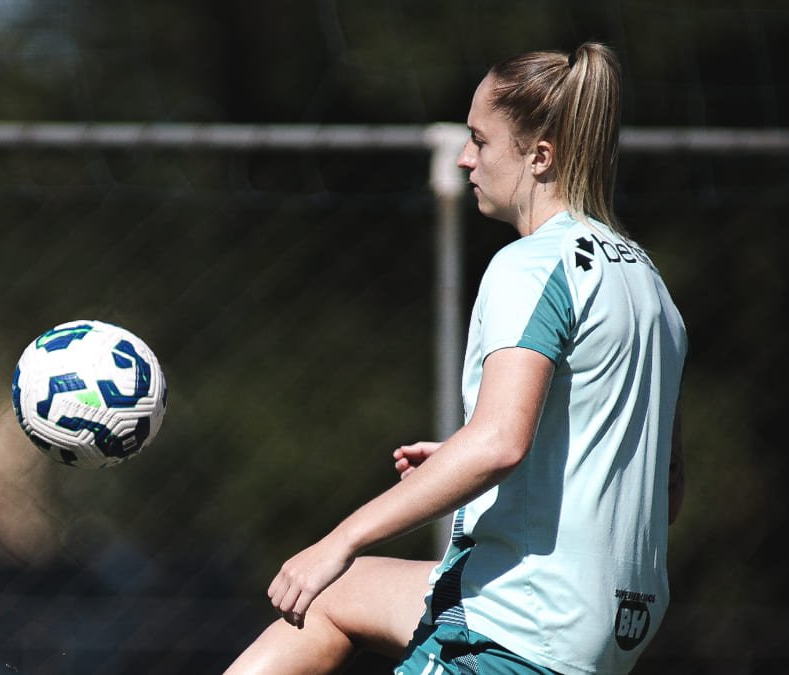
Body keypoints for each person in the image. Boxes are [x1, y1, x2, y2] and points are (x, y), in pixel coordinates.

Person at [225, 41, 687, 675]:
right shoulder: (648, 284)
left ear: (540, 156)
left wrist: (339, 540)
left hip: (522, 625)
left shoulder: (531, 266)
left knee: (330, 569)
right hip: (612, 622)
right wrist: (461, 460)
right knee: (335, 595)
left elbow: (499, 444)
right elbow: (662, 484)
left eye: (480, 140)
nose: (466, 158)